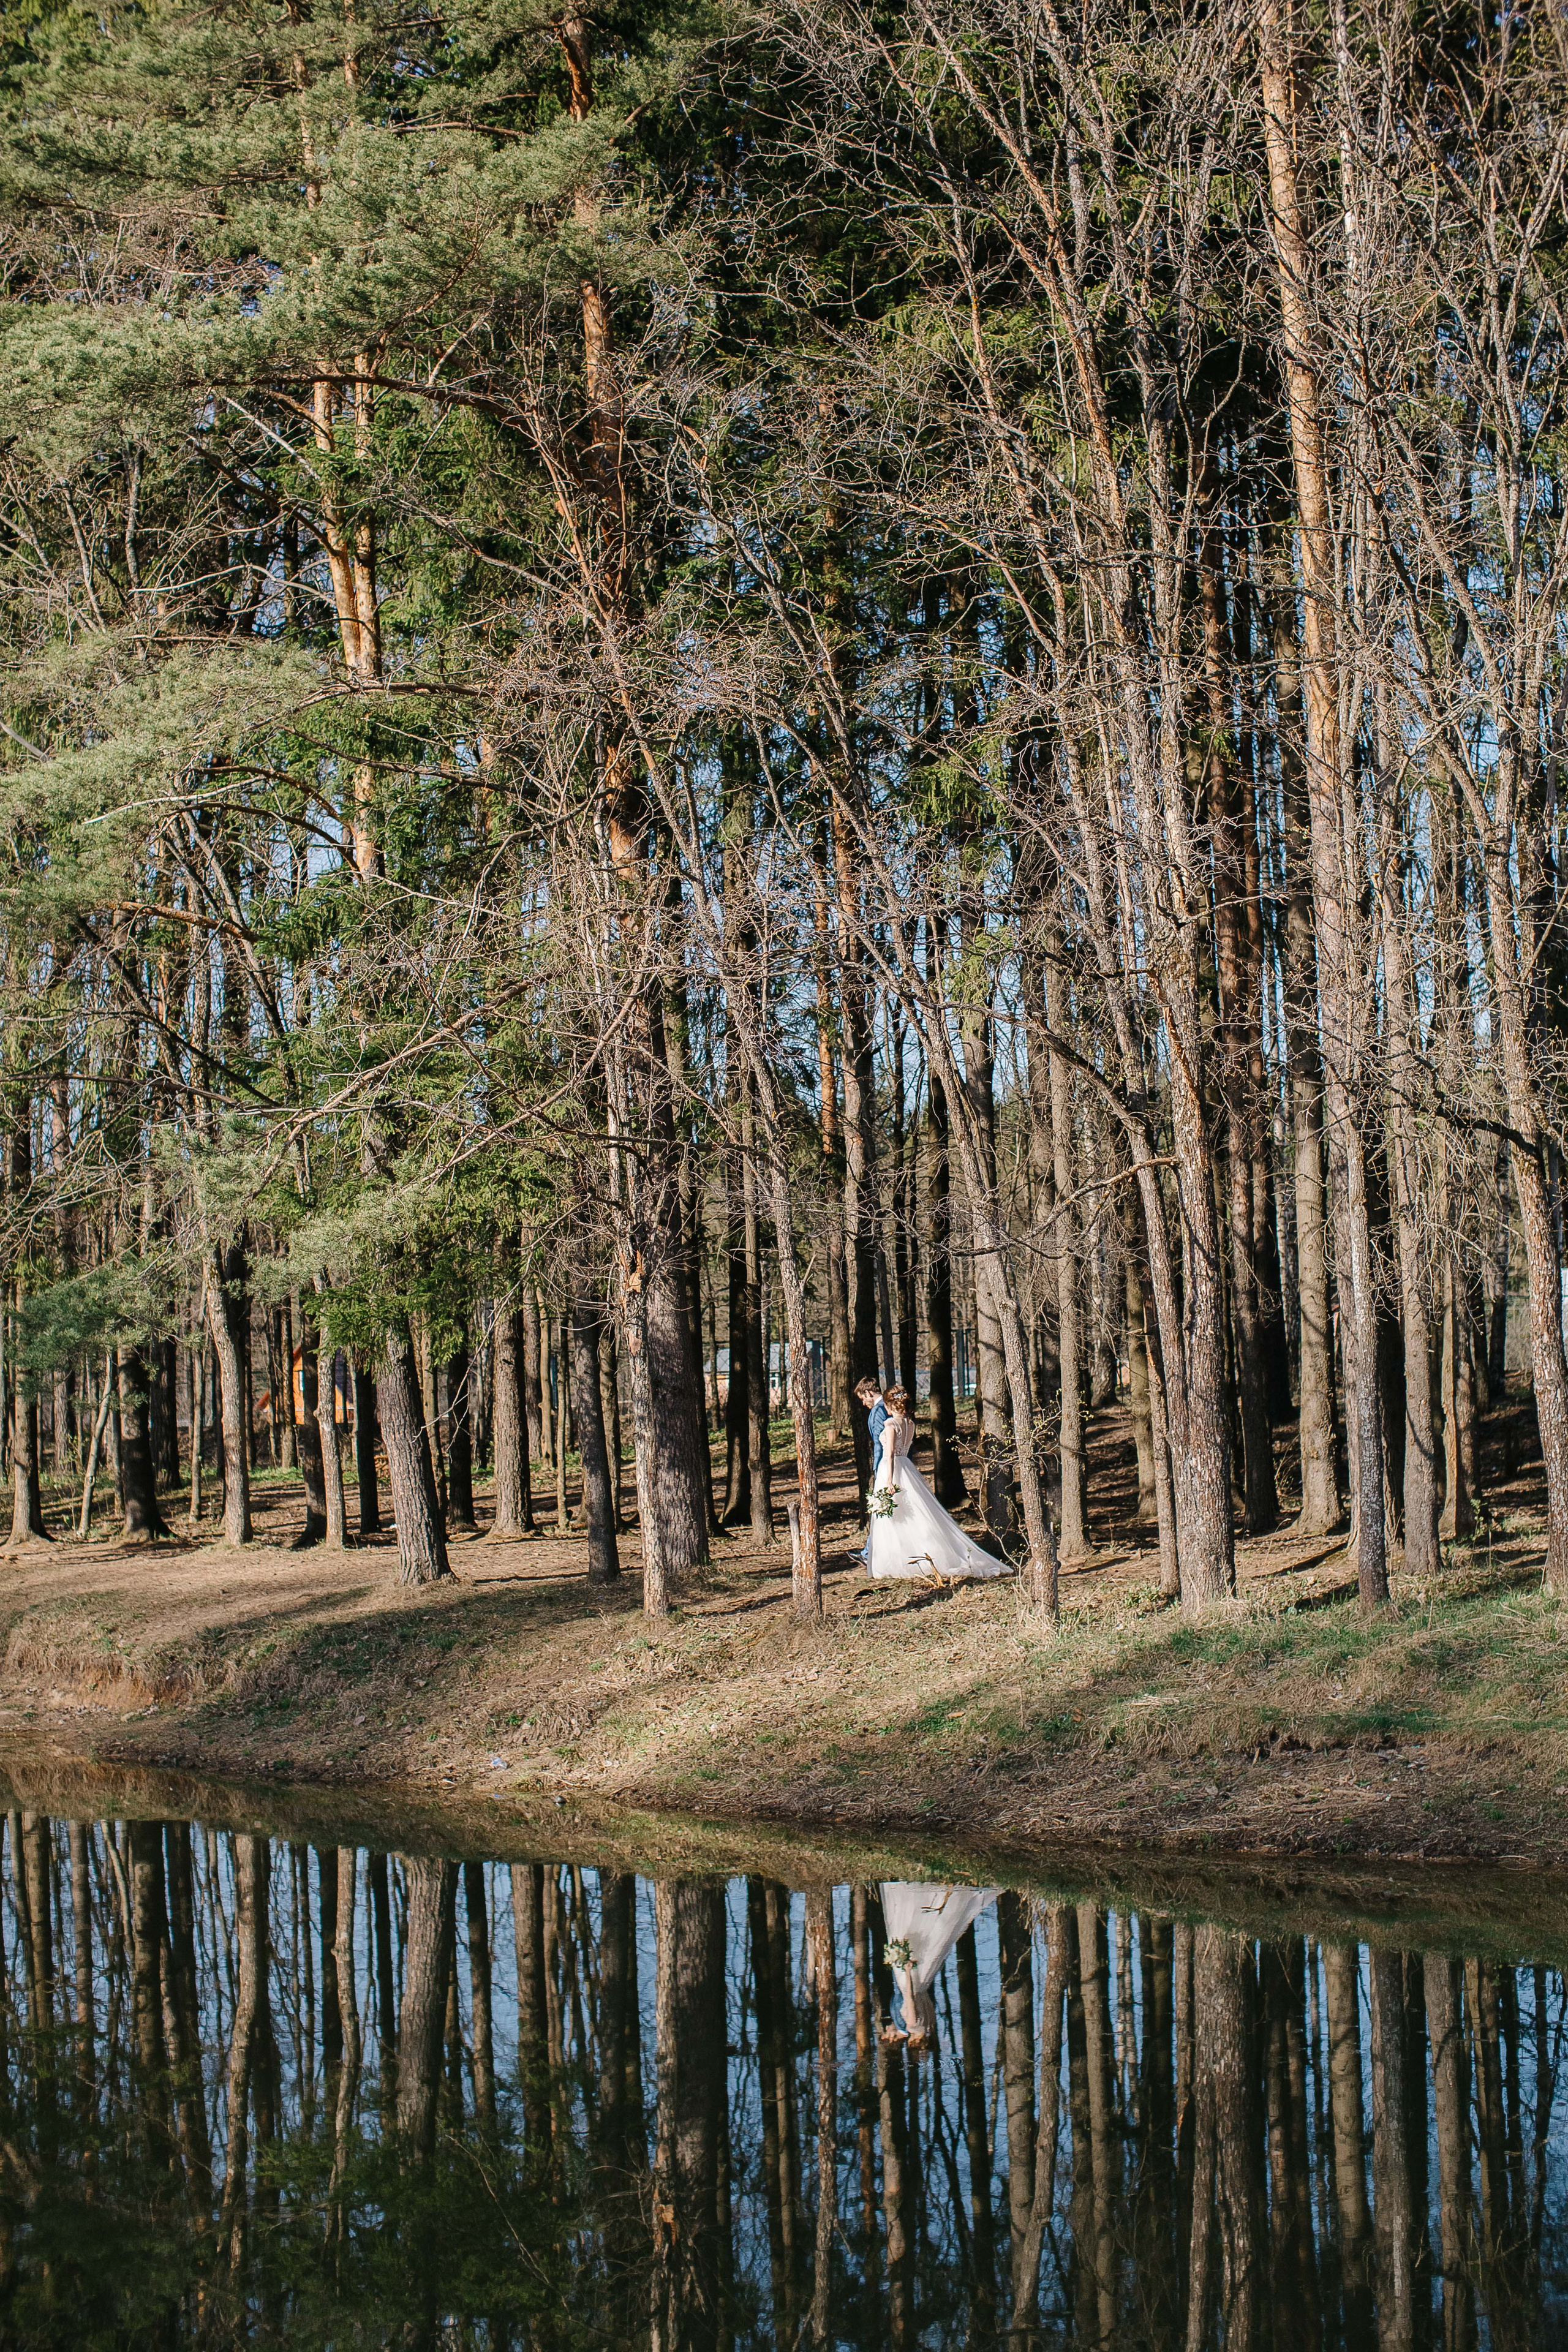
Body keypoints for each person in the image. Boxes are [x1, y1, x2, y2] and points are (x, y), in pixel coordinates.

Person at [866, 1384, 1011, 1583]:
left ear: (891, 1406)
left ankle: (895, 1559)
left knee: (897, 1515)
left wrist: (889, 1480)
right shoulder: (910, 1424)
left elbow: (889, 1454)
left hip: (892, 1469)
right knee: (914, 1512)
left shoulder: (891, 1425)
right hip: (907, 1466)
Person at [854, 1376, 888, 1566]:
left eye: (863, 1398)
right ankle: (869, 1551)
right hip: (900, 1462)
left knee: (881, 1508)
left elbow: (879, 1442)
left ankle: (869, 1553)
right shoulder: (891, 1407)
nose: (863, 1403)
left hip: (886, 1464)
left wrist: (878, 1466)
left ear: (869, 1393)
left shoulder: (878, 1411)